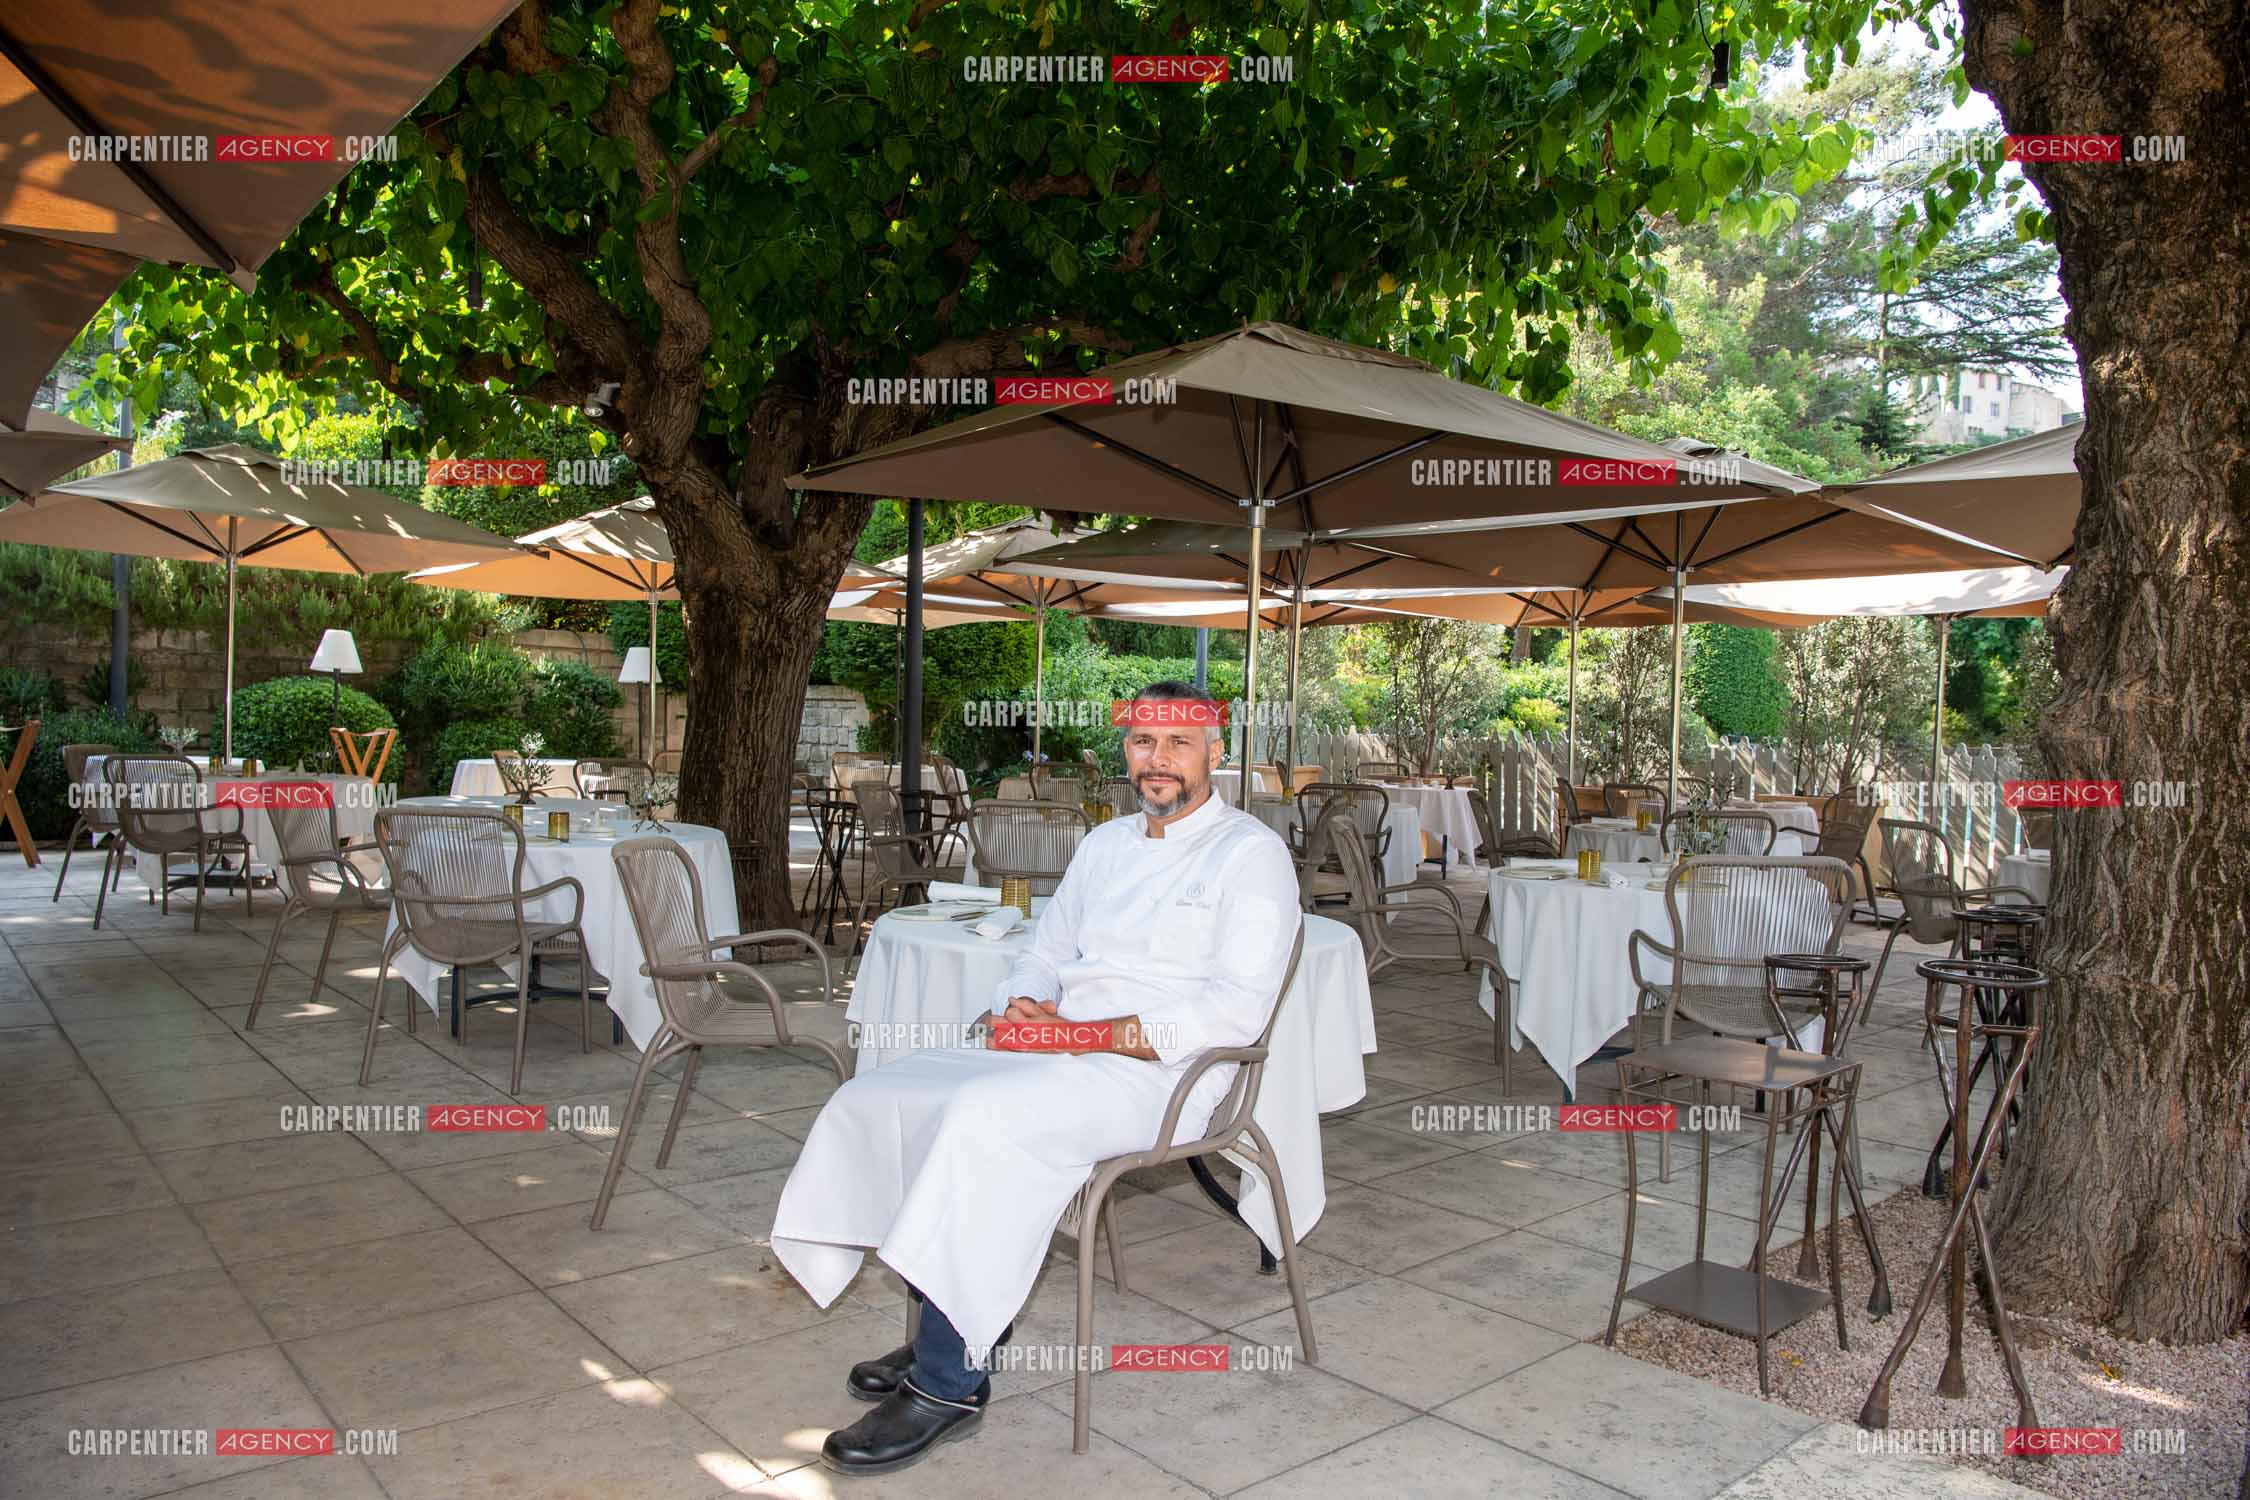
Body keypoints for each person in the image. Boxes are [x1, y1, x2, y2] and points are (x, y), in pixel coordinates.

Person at [769, 680, 1301, 1476]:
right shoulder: (1107, 843)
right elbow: (1047, 948)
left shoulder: (1250, 856)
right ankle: (952, 1317)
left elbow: (1231, 1015)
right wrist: (1023, 996)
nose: (1156, 761)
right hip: (1060, 1047)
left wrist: (1076, 1032)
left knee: (983, 1120)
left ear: (1216, 753)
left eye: (1178, 743)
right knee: (880, 1095)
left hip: (1164, 1079)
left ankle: (950, 1382)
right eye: (1141, 743)